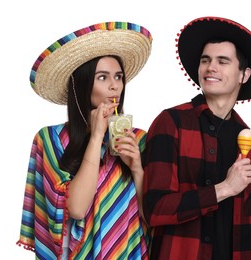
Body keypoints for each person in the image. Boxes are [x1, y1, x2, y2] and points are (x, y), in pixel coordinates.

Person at [142, 16, 251, 260]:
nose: (210, 67)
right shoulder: (172, 123)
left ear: (243, 75)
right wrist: (223, 189)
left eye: (222, 61)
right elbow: (155, 210)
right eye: (206, 60)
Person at [16, 21, 152, 259]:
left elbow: (152, 219)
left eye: (118, 77)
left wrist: (138, 169)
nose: (114, 86)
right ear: (82, 84)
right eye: (102, 77)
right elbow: (77, 209)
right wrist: (97, 136)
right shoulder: (50, 140)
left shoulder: (139, 140)